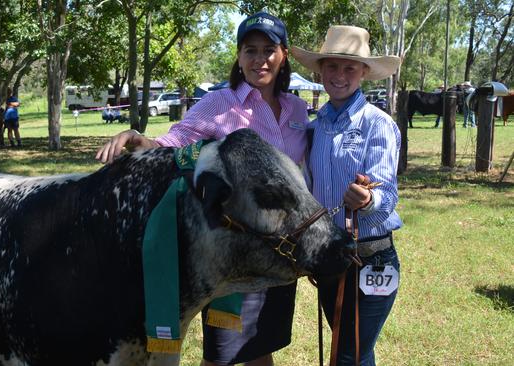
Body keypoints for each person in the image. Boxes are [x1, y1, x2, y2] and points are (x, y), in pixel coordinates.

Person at [97, 12, 309, 366]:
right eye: (250, 50)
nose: (260, 59)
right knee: (222, 354)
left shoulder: (298, 109)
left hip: (283, 250)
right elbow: (175, 142)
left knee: (262, 347)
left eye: (269, 49)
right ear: (239, 57)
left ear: (283, 54)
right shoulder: (220, 104)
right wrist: (138, 138)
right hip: (236, 249)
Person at [291, 25, 402, 365]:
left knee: (348, 353)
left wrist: (368, 201)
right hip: (331, 256)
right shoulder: (315, 125)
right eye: (332, 66)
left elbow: (387, 195)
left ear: (364, 73)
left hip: (371, 258)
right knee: (349, 348)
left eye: (349, 67)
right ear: (321, 71)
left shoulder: (377, 124)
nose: (339, 75)